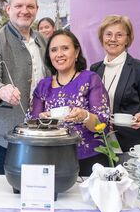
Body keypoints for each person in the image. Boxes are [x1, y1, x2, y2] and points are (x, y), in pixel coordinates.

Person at [0, 0, 50, 175]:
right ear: (8, 9)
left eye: (30, 6)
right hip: (8, 135)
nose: (24, 11)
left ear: (36, 10)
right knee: (11, 192)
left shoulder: (44, 41)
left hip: (43, 131)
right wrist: (1, 90)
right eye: (19, 6)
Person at [29, 30, 111, 176]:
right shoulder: (43, 86)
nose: (59, 54)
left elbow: (103, 126)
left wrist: (85, 116)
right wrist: (42, 122)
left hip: (90, 160)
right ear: (49, 55)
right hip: (51, 160)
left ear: (77, 51)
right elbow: (32, 125)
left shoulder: (90, 79)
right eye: (54, 50)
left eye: (65, 48)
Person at [90, 15, 140, 152]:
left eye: (119, 35)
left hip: (131, 140)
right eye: (108, 34)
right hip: (99, 140)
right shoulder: (94, 69)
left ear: (127, 39)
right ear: (102, 38)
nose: (113, 39)